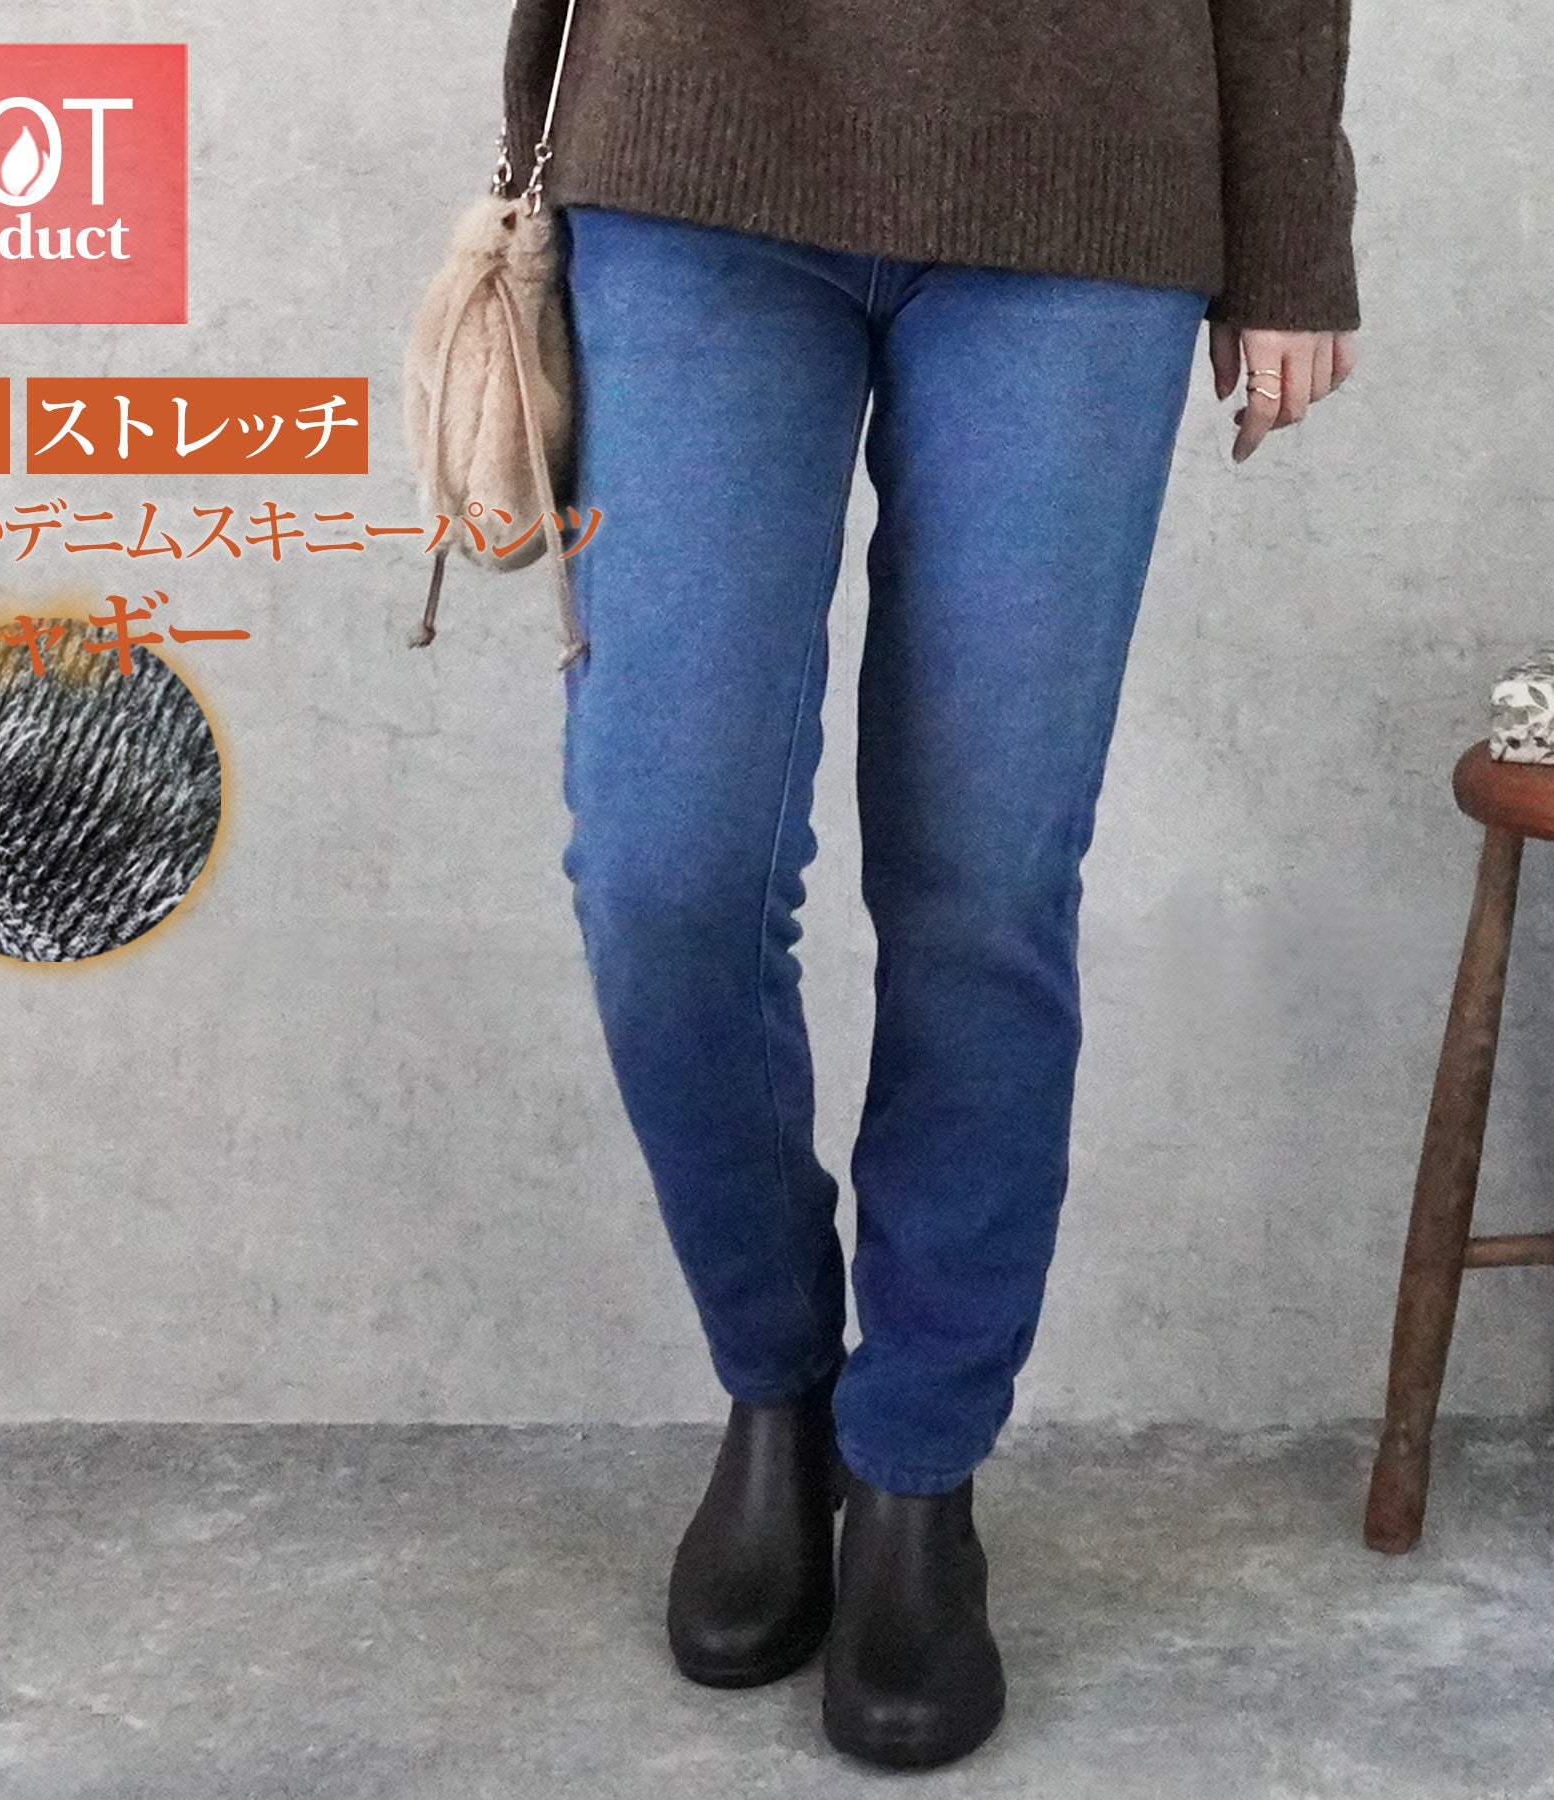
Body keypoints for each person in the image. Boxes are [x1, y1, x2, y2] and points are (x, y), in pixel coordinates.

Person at [496, 0, 1361, 1770]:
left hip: (1087, 164)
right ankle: (780, 1385)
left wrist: (1291, 229)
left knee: (983, 887)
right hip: (694, 139)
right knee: (664, 868)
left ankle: (915, 1468)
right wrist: (536, 131)